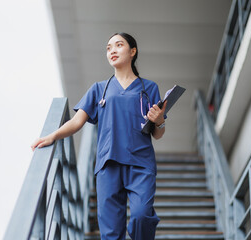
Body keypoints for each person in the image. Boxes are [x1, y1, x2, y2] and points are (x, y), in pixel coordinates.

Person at [31, 32, 167, 240]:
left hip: (141, 163)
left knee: (141, 216)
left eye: (118, 45)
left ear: (132, 51)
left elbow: (158, 134)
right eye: (108, 47)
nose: (112, 50)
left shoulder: (149, 88)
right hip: (108, 165)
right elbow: (77, 122)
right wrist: (53, 136)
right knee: (111, 232)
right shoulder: (99, 89)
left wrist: (159, 121)